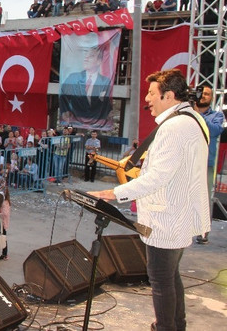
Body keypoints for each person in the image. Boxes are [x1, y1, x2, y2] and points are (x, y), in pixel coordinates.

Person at [89, 69, 210, 331]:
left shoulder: (176, 127)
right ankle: (176, 325)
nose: (147, 99)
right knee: (169, 277)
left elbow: (157, 177)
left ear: (169, 95)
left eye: (152, 93)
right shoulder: (189, 119)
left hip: (166, 221)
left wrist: (112, 193)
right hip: (176, 217)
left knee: (161, 282)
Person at [193, 84, 225, 244]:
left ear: (212, 98)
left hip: (206, 163)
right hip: (188, 162)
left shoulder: (217, 116)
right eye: (201, 93)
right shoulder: (188, 113)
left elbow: (214, 131)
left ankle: (202, 233)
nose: (203, 96)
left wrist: (198, 115)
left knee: (203, 198)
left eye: (207, 94)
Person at [59, 47, 113, 129]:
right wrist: (64, 112)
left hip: (96, 121)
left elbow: (106, 104)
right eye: (85, 56)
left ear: (99, 61)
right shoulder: (72, 78)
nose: (86, 59)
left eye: (90, 56)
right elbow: (63, 96)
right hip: (75, 119)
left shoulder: (105, 82)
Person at [0, 186, 10, 261]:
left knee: (3, 238)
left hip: (2, 223)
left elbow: (5, 213)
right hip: (2, 222)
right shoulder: (5, 201)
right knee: (3, 237)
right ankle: (4, 253)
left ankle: (5, 254)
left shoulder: (5, 202)